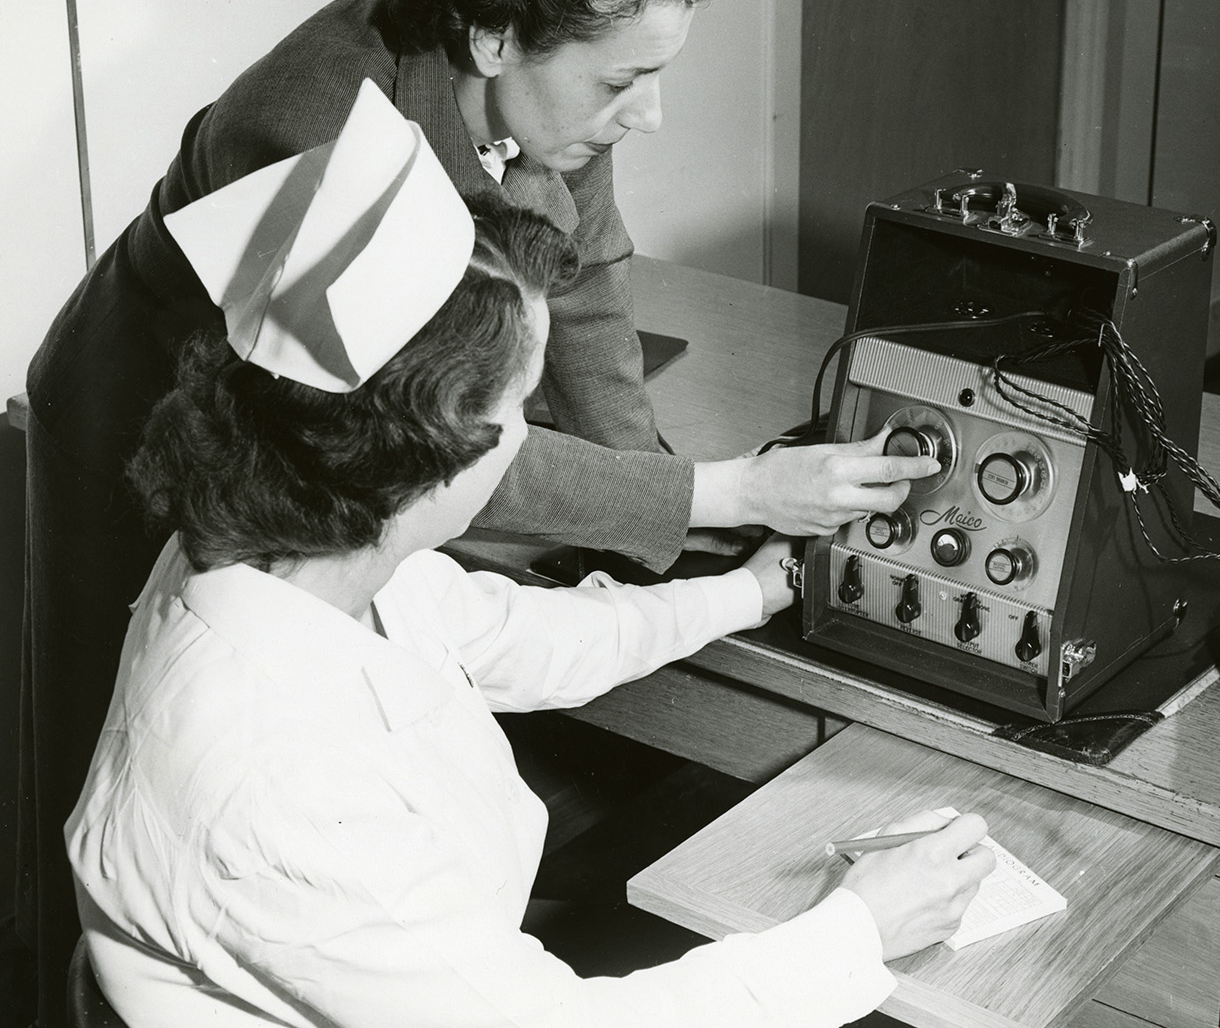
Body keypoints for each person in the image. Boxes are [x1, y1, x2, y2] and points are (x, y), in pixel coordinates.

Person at [22, 0, 931, 1015]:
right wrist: (718, 495)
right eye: (626, 80)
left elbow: (582, 292)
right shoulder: (299, 130)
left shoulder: (544, 82)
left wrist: (704, 546)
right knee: (146, 786)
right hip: (141, 421)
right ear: (496, 36)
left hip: (320, 524)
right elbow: (429, 444)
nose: (646, 113)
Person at [64, 138, 995, 1027]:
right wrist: (857, 932)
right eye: (518, 405)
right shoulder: (281, 787)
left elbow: (508, 634)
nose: (524, 436)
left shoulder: (283, 546)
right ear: (430, 447)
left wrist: (754, 589)